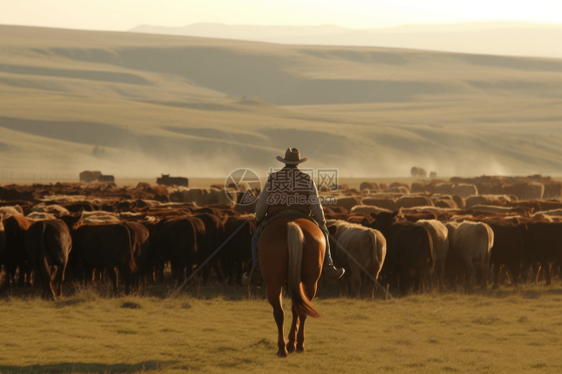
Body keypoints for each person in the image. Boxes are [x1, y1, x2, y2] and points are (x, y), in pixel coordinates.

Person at [242, 148, 345, 286]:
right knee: (324, 234)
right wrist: (322, 223)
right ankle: (329, 267)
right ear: (298, 163)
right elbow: (315, 206)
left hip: (275, 216)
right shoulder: (307, 179)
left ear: (284, 162)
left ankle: (256, 271)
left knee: (255, 238)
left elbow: (262, 204)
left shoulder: (273, 178)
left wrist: (258, 219)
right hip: (302, 215)